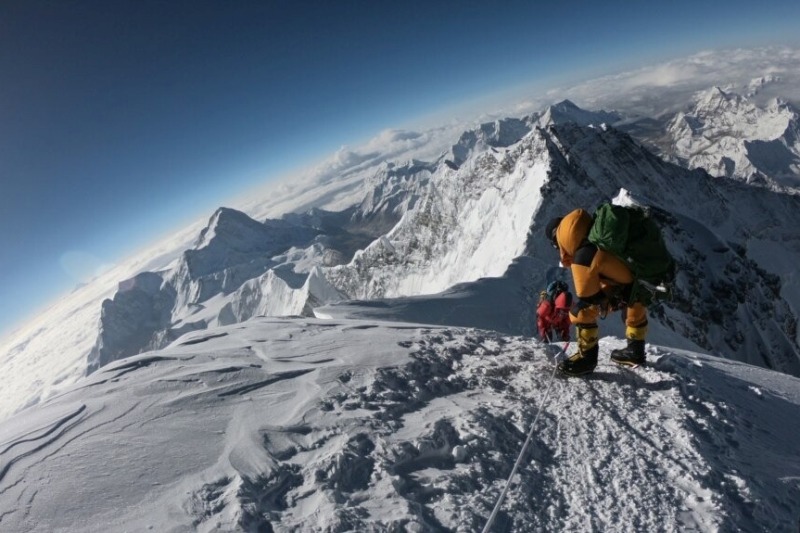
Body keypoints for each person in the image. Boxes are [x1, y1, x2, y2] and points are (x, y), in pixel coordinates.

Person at [545, 210, 648, 376]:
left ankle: (586, 360)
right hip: (642, 276)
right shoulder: (597, 237)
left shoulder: (582, 257)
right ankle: (635, 351)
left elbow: (589, 299)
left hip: (624, 282)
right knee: (635, 298)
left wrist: (606, 300)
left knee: (580, 311)